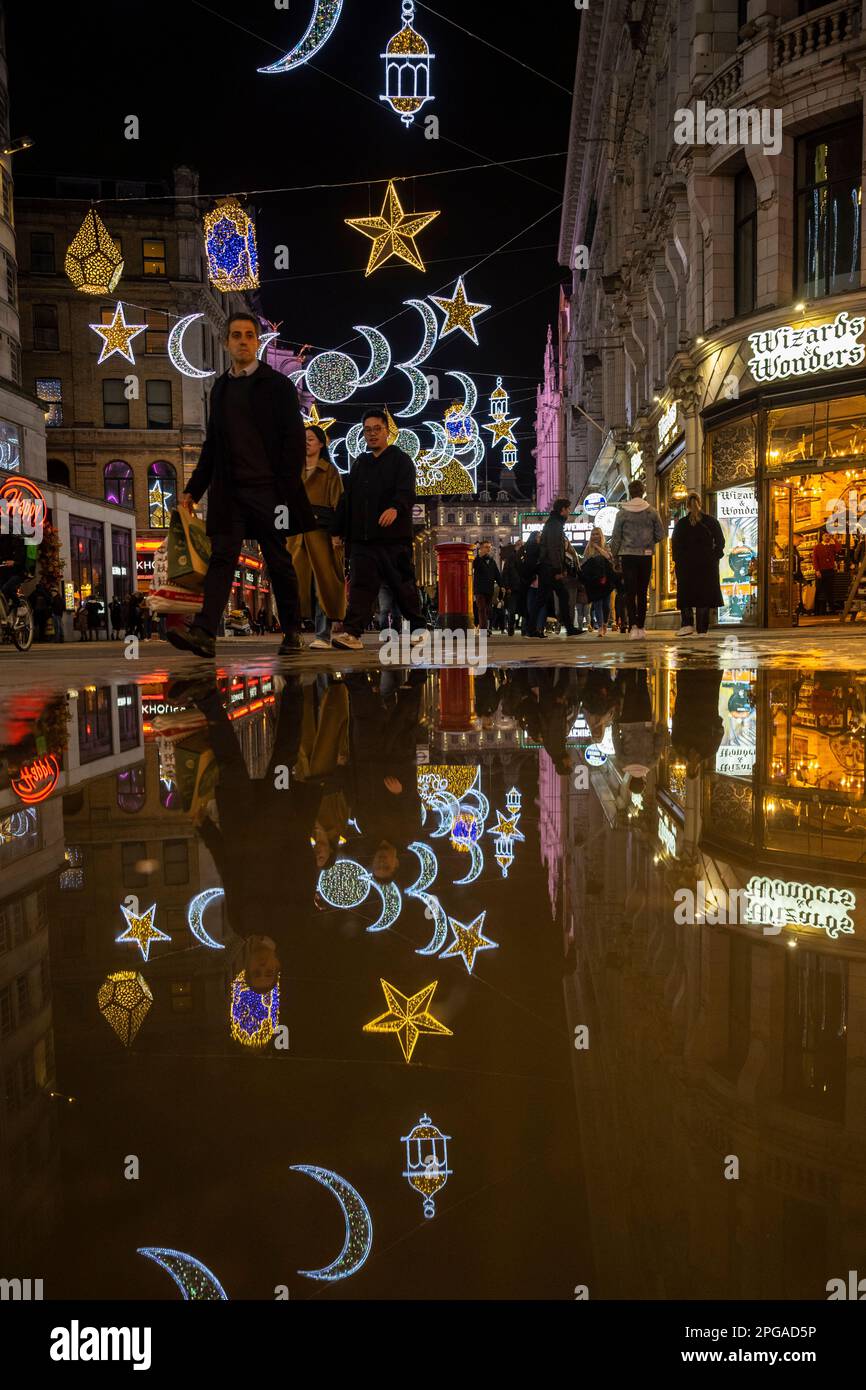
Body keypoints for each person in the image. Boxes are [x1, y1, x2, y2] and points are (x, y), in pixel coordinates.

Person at [169, 312, 316, 660]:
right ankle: (205, 633)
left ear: (257, 342)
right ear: (227, 343)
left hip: (271, 493)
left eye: (249, 335)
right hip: (229, 493)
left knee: (278, 558)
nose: (243, 341)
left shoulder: (277, 385)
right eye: (236, 335)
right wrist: (194, 489)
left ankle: (293, 631)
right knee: (222, 558)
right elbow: (212, 446)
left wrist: (285, 489)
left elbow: (293, 442)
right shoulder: (220, 388)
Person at [331, 408, 424, 651]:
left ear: (387, 431)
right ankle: (352, 633)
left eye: (377, 429)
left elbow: (407, 492)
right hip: (363, 538)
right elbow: (347, 498)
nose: (372, 434)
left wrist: (395, 508)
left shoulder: (401, 460)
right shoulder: (360, 462)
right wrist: (338, 530)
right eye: (367, 430)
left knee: (402, 585)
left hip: (393, 537)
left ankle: (418, 627)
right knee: (361, 587)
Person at [288, 425, 346, 649]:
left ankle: (323, 635)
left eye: (311, 439)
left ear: (321, 444)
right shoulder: (292, 471)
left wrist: (337, 533)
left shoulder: (329, 471)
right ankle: (293, 633)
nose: (306, 442)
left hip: (322, 534)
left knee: (323, 584)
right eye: (303, 438)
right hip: (295, 536)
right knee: (295, 584)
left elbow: (339, 505)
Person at [609, 479, 664, 638]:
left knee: (630, 592)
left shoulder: (622, 513)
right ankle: (641, 626)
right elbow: (660, 534)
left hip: (627, 555)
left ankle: (633, 626)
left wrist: (615, 557)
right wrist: (648, 543)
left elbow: (616, 538)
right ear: (643, 492)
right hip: (645, 556)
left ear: (630, 493)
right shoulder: (652, 512)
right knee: (642, 591)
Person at [671, 492, 725, 635]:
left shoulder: (681, 524)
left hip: (686, 566)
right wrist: (715, 556)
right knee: (704, 597)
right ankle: (702, 628)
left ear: (687, 505)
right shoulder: (711, 522)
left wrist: (678, 561)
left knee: (686, 595)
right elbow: (720, 542)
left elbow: (675, 546)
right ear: (700, 503)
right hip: (707, 565)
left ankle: (687, 624)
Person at [535, 499, 578, 637]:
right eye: (568, 509)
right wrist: (557, 570)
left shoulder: (555, 523)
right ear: (562, 510)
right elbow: (554, 549)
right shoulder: (555, 524)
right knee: (543, 599)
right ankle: (531, 628)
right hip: (549, 568)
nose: (569, 512)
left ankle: (570, 628)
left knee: (557, 596)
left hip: (549, 567)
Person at [580, 526, 616, 637]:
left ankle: (604, 623)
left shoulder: (606, 546)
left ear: (600, 536)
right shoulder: (588, 549)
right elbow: (584, 564)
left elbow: (609, 557)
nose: (595, 536)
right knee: (597, 603)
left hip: (606, 579)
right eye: (593, 534)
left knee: (606, 604)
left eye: (597, 534)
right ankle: (600, 626)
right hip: (594, 581)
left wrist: (597, 547)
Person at [472, 541, 501, 633]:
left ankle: (486, 627)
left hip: (489, 590)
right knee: (482, 609)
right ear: (481, 549)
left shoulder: (492, 561)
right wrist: (479, 555)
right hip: (479, 590)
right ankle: (484, 630)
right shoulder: (477, 560)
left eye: (489, 547)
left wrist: (503, 585)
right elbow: (474, 565)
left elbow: (497, 574)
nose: (489, 549)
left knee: (488, 610)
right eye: (486, 547)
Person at [812, 528, 839, 617]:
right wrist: (817, 570)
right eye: (825, 536)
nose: (827, 537)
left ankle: (832, 609)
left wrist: (834, 539)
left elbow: (839, 549)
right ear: (822, 537)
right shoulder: (817, 547)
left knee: (830, 591)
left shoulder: (831, 546)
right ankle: (816, 610)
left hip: (830, 571)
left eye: (829, 535)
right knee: (818, 591)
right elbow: (815, 559)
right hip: (821, 571)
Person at [500, 541, 524, 635]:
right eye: (520, 545)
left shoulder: (524, 557)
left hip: (522, 588)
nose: (521, 547)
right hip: (513, 588)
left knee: (523, 610)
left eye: (522, 545)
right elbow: (505, 573)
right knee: (512, 611)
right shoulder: (510, 558)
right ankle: (511, 629)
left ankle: (524, 630)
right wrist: (507, 586)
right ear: (516, 547)